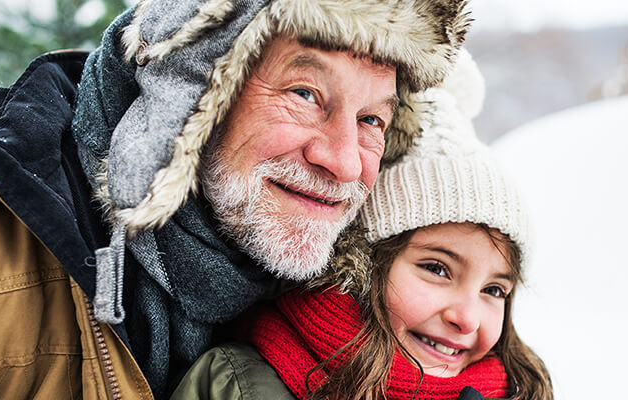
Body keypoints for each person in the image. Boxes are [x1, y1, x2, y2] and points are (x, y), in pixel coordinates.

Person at [0, 0, 470, 398]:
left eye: (372, 119)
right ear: (193, 94)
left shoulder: (361, 309)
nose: (344, 162)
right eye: (304, 92)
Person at [170, 50, 554, 400]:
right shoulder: (239, 384)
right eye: (437, 269)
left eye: (494, 289)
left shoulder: (513, 390)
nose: (467, 318)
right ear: (360, 268)